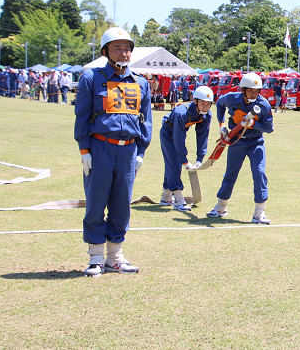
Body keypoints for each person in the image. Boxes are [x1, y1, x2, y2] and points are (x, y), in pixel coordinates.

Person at [74, 27, 152, 277]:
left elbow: (145, 121)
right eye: (117, 47)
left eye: (127, 47)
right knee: (96, 203)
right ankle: (96, 258)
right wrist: (84, 149)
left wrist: (140, 152)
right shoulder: (91, 78)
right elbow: (82, 117)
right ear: (106, 51)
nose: (124, 52)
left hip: (128, 152)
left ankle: (115, 258)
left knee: (122, 205)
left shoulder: (141, 83)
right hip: (100, 148)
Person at [207, 72, 274, 224]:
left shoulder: (263, 105)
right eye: (250, 90)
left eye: (256, 91)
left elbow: (269, 128)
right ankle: (221, 207)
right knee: (230, 174)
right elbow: (219, 104)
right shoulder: (232, 98)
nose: (253, 93)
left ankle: (259, 213)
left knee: (259, 173)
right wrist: (221, 125)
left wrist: (253, 124)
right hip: (236, 141)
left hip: (255, 143)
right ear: (242, 90)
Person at [159, 85, 214, 211]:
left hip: (179, 132)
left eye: (208, 104)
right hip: (168, 134)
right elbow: (178, 138)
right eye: (202, 103)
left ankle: (166, 197)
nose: (205, 106)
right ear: (195, 102)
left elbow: (202, 136)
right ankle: (178, 199)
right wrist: (184, 160)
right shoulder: (181, 113)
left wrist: (200, 158)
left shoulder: (207, 115)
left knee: (172, 163)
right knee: (174, 163)